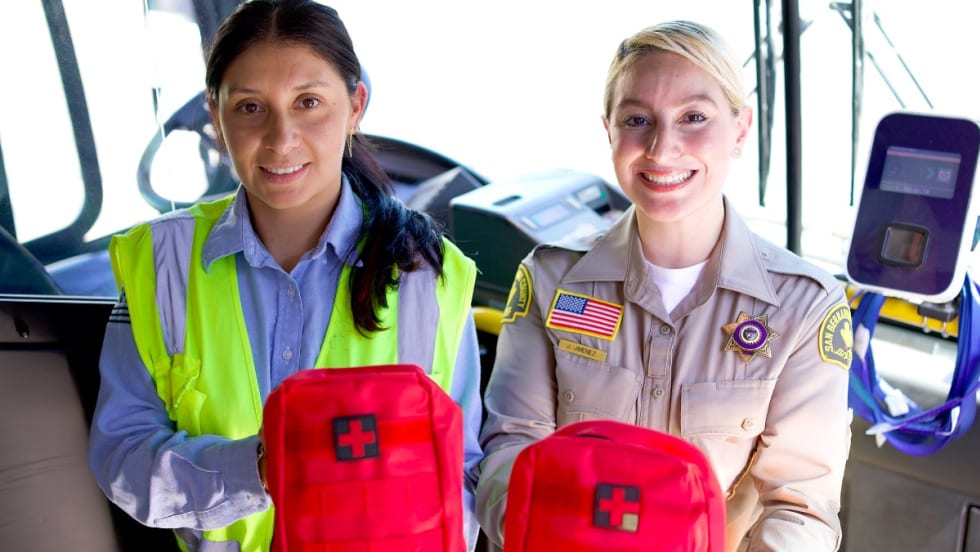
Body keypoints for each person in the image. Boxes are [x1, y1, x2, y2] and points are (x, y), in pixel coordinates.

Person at [88, 1, 483, 550]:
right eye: (250, 107)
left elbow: (462, 475)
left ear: (355, 106)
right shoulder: (161, 264)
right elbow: (124, 454)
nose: (280, 138)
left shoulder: (430, 275)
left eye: (309, 103)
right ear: (215, 115)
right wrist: (257, 469)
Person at [475, 20, 852, 552]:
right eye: (637, 119)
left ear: (741, 129)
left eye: (694, 117)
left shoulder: (803, 306)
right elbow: (510, 451)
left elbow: (798, 507)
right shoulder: (551, 279)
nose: (662, 147)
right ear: (609, 130)